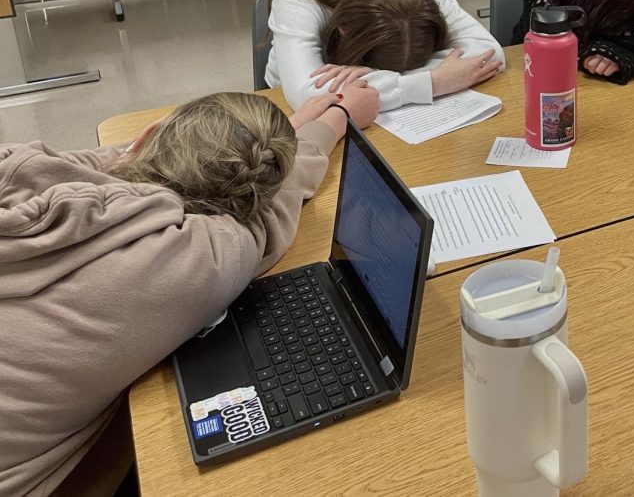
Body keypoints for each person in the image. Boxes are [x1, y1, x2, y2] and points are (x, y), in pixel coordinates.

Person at [0, 84, 379, 496]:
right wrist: (332, 123)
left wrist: (286, 127)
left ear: (147, 135)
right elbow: (272, 208)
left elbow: (112, 159)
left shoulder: (19, 165)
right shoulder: (195, 255)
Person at [267, 0, 504, 111]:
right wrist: (433, 82)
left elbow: (489, 55)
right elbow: (307, 97)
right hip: (287, 112)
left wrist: (388, 81)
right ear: (344, 31)